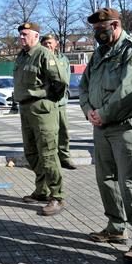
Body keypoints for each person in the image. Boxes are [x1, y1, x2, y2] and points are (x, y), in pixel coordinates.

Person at [79, 7, 132, 264]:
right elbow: (84, 86)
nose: (98, 33)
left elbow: (130, 91)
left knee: (131, 184)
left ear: (116, 25)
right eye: (95, 30)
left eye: (103, 28)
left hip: (126, 128)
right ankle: (115, 227)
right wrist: (89, 111)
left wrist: (104, 114)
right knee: (106, 180)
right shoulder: (99, 54)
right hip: (101, 129)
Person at [13, 22, 68, 216]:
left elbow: (60, 81)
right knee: (31, 152)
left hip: (42, 109)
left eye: (25, 34)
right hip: (25, 109)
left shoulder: (44, 54)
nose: (21, 37)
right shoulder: (21, 57)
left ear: (36, 36)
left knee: (48, 153)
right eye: (20, 34)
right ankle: (42, 190)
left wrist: (49, 97)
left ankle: (57, 196)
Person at [41, 34, 77, 170]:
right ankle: (50, 158)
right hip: (46, 101)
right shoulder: (39, 57)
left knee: (63, 131)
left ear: (56, 43)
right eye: (45, 43)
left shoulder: (63, 59)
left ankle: (65, 157)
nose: (48, 45)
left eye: (50, 43)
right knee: (48, 132)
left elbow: (65, 79)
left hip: (60, 102)